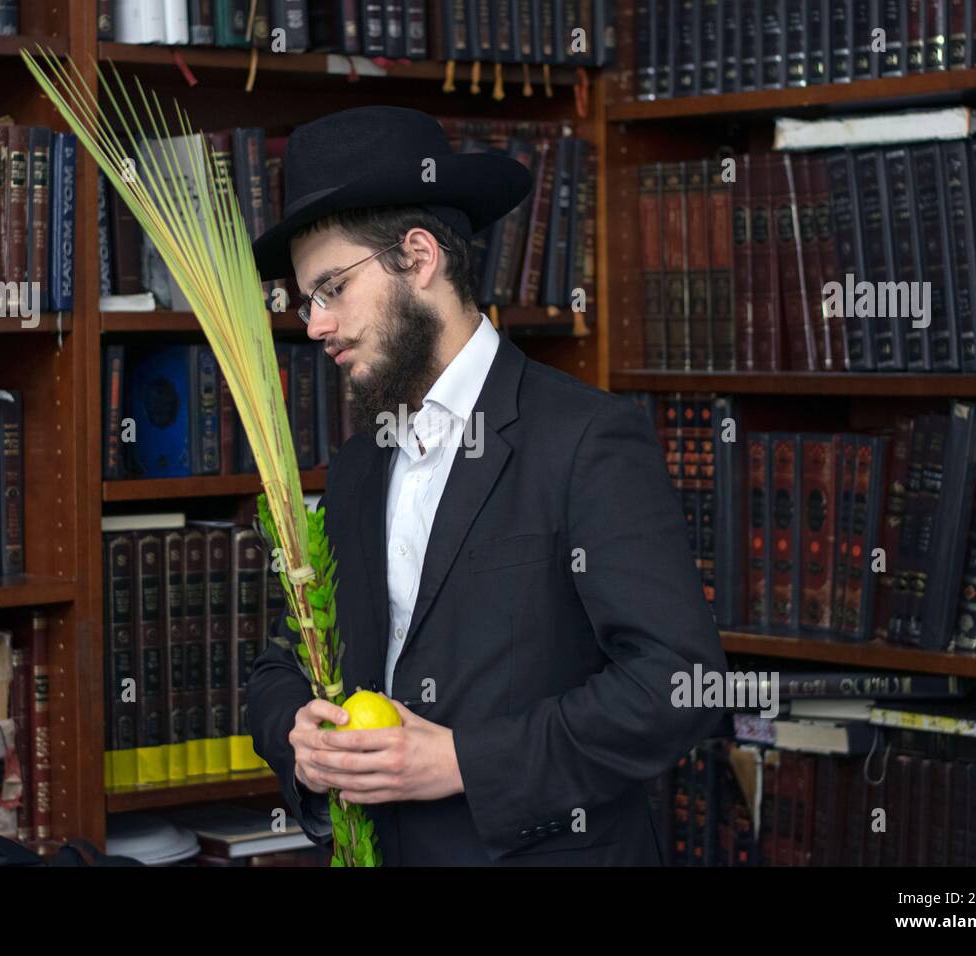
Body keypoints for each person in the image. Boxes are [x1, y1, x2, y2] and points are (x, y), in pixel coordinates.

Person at [246, 106, 728, 865]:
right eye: (309, 300)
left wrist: (463, 761)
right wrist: (298, 740)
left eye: (331, 288)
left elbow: (679, 682)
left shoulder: (585, 438)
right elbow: (286, 660)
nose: (316, 324)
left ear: (419, 257)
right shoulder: (357, 462)